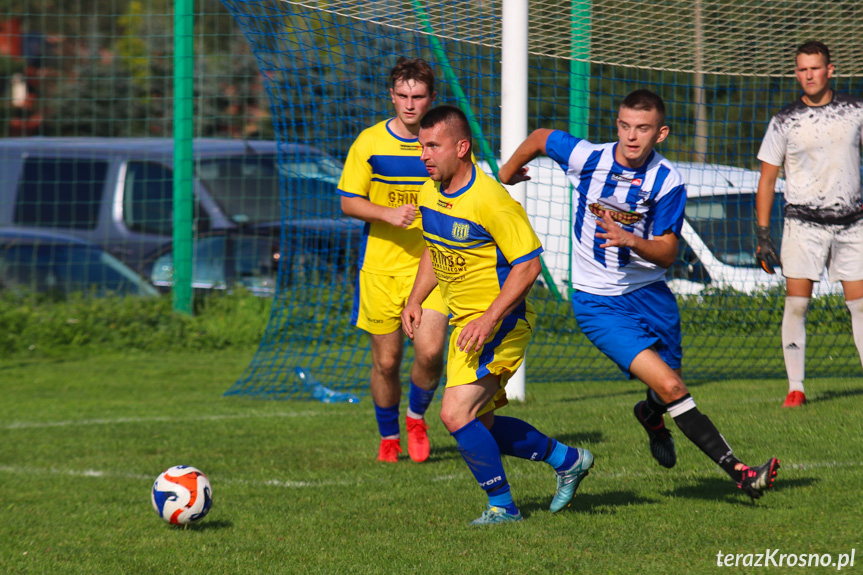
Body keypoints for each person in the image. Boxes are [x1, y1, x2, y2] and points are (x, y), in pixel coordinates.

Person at [498, 89, 780, 500]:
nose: (632, 137)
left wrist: (627, 237)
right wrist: (508, 172)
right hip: (597, 304)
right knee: (672, 387)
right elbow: (542, 136)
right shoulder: (588, 158)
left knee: (668, 388)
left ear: (660, 133)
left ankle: (649, 416)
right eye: (625, 126)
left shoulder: (667, 180)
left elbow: (667, 254)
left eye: (643, 129)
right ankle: (740, 472)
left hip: (651, 294)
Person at [401, 105, 594, 525]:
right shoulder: (429, 192)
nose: (424, 155)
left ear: (462, 147)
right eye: (421, 146)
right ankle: (568, 459)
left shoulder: (491, 200)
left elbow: (527, 266)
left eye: (433, 146)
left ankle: (503, 508)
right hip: (463, 324)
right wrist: (415, 299)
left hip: (499, 324)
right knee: (480, 422)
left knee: (454, 414)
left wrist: (487, 319)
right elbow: (435, 251)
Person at [338, 57, 449, 463]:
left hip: (431, 267)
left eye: (418, 96)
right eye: (402, 95)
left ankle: (416, 416)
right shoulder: (369, 143)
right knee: (386, 363)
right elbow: (348, 201)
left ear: (431, 98)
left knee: (431, 352)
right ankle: (389, 437)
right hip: (380, 269)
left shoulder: (440, 143)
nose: (409, 104)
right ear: (391, 95)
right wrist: (388, 214)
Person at [754, 40, 863, 408]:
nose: (808, 75)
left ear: (830, 70)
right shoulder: (784, 120)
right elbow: (767, 180)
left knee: (861, 306)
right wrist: (763, 234)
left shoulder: (856, 110)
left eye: (815, 68)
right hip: (802, 225)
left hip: (853, 223)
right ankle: (796, 388)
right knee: (797, 305)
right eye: (802, 69)